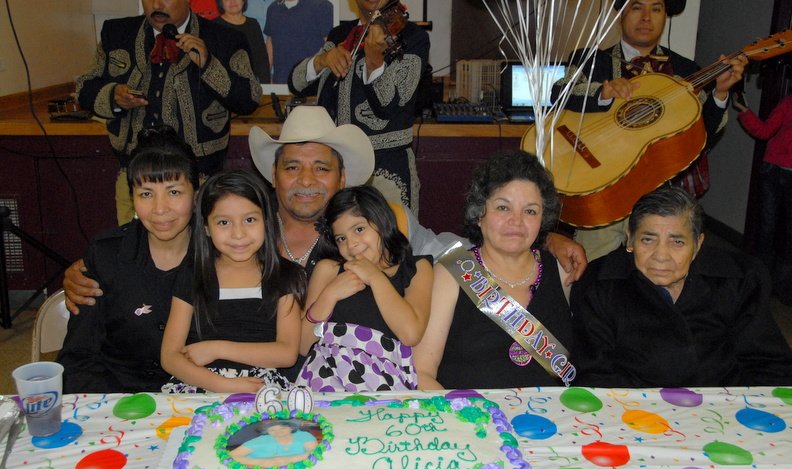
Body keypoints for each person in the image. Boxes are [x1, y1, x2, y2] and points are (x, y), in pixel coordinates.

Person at [65, 106, 589, 317]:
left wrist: (539, 238)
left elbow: (452, 251)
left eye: (321, 168)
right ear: (274, 175)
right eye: (292, 167)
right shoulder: (242, 225)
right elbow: (171, 241)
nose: (306, 180)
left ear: (342, 179)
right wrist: (90, 269)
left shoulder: (382, 219)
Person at [551, 0, 746, 261]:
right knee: (593, 268)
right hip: (602, 191)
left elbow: (702, 135)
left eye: (655, 9)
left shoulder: (686, 70)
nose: (646, 17)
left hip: (659, 195)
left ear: (665, 16)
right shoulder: (592, 60)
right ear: (621, 14)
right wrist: (603, 92)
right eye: (636, 7)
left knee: (656, 270)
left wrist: (720, 94)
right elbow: (560, 93)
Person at [569, 186, 792, 387]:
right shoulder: (600, 285)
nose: (661, 256)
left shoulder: (737, 281)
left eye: (677, 242)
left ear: (697, 245)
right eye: (648, 239)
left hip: (720, 403)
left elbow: (768, 365)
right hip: (633, 406)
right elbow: (593, 374)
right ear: (630, 239)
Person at [76, 0, 262, 225]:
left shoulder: (226, 38)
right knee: (134, 243)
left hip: (200, 179)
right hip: (134, 179)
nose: (157, 4)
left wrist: (208, 65)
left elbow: (248, 99)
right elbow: (84, 89)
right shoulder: (116, 33)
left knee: (198, 244)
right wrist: (113, 96)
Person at [414, 151, 576, 390]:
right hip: (470, 410)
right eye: (503, 207)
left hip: (551, 412)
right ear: (479, 214)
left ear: (543, 219)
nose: (516, 221)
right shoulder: (450, 274)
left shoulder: (564, 271)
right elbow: (422, 373)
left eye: (530, 211)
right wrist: (469, 411)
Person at [57, 127, 199, 393]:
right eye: (146, 193)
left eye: (174, 192)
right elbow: (78, 356)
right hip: (116, 398)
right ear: (132, 198)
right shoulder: (106, 255)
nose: (160, 208)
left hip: (196, 398)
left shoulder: (220, 255)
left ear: (196, 195)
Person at [160, 171, 306, 393]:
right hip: (199, 385)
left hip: (260, 388)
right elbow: (170, 356)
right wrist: (223, 385)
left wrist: (217, 349)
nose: (238, 234)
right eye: (224, 222)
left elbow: (286, 353)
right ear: (206, 227)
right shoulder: (193, 274)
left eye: (249, 220)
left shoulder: (285, 275)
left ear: (266, 221)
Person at [288, 0, 430, 215]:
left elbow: (390, 106)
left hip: (385, 167)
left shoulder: (413, 37)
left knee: (390, 232)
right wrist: (322, 60)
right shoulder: (341, 34)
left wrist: (375, 63)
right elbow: (296, 84)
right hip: (334, 166)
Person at [296, 185, 433, 391]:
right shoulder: (329, 270)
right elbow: (302, 345)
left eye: (359, 229)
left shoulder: (416, 268)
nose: (351, 244)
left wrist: (375, 277)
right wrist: (329, 295)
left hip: (387, 383)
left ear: (382, 221)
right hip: (327, 380)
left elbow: (410, 333)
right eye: (341, 238)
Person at [734, 91, 792, 307]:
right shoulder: (791, 101)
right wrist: (744, 110)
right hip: (773, 172)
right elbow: (764, 131)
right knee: (766, 229)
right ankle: (758, 282)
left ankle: (783, 285)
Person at [265, 0, 332, 85]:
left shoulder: (322, 6)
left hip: (311, 87)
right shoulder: (273, 9)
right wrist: (266, 83)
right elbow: (270, 45)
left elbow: (331, 48)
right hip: (280, 85)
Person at [215, 0, 271, 83]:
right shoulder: (214, 26)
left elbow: (262, 58)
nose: (232, 2)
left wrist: (265, 84)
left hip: (251, 84)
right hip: (225, 85)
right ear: (221, 3)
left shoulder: (253, 24)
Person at [230, 420, 317, 468]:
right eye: (272, 430)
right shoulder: (262, 441)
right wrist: (261, 462)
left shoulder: (303, 436)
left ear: (291, 427)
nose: (278, 432)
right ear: (267, 432)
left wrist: (287, 460)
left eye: (283, 428)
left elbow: (316, 453)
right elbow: (231, 456)